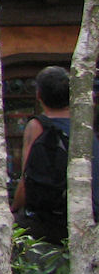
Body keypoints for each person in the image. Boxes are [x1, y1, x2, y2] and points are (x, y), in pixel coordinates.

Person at [12, 65, 99, 244]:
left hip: (54, 220)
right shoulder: (85, 127)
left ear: (39, 95)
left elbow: (26, 181)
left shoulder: (38, 127)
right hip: (91, 215)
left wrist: (12, 209)